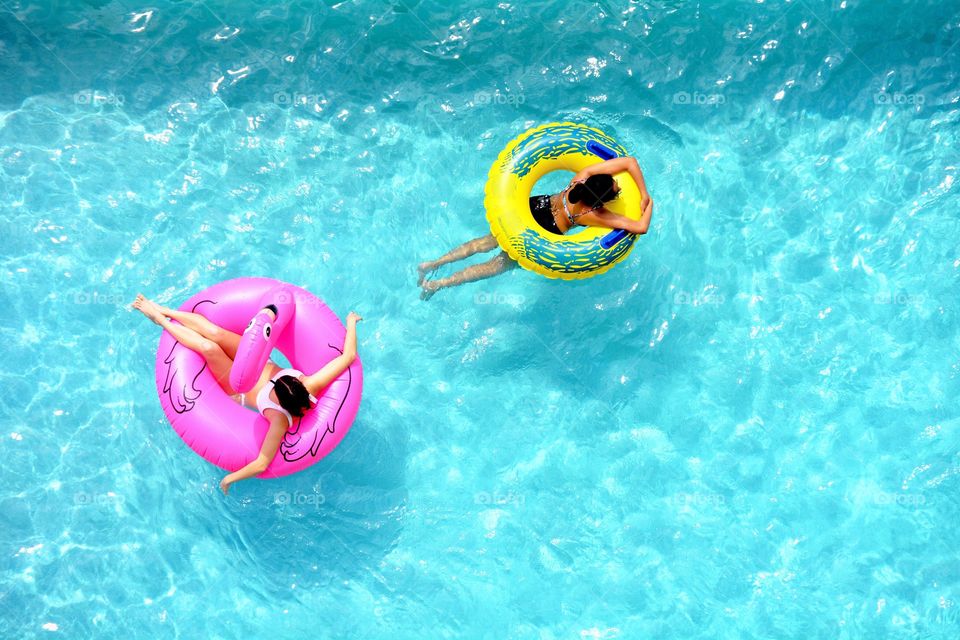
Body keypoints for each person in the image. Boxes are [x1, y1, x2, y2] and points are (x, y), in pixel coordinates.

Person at [132, 294, 361, 494]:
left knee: (209, 348)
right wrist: (351, 323)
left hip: (236, 384)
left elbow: (262, 463)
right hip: (255, 362)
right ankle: (164, 309)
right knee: (216, 333)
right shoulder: (311, 383)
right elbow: (348, 356)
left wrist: (229, 478)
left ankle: (160, 320)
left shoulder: (279, 419)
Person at [418, 156, 654, 299]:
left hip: (534, 207)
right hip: (542, 232)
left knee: (487, 241)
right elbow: (640, 227)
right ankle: (439, 284)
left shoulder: (580, 179)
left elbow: (629, 162)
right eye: (615, 190)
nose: (618, 188)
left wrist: (636, 189)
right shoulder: (593, 215)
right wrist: (646, 198)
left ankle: (432, 264)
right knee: (498, 264)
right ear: (600, 202)